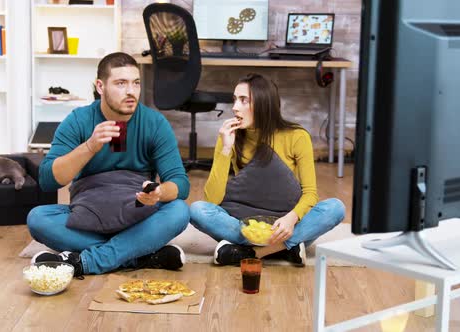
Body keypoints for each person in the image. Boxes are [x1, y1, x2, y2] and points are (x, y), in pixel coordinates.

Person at [28, 52, 190, 277]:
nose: (131, 91)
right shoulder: (78, 120)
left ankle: (89, 261)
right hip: (89, 214)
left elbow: (180, 183)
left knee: (179, 211)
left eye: (136, 83)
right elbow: (47, 180)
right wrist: (90, 146)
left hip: (137, 213)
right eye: (121, 84)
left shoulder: (155, 123)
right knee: (37, 219)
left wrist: (160, 192)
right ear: (100, 86)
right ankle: (138, 253)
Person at [189, 73, 345, 266]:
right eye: (235, 100)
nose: (235, 107)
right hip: (248, 225)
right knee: (197, 210)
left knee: (335, 208)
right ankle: (287, 248)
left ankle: (251, 253)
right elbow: (212, 200)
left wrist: (291, 219)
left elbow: (310, 194)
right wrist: (225, 149)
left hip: (285, 223)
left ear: (263, 103)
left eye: (243, 100)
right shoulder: (230, 137)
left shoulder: (297, 136)